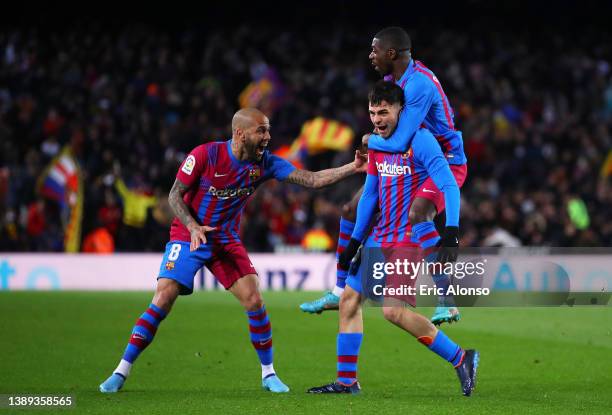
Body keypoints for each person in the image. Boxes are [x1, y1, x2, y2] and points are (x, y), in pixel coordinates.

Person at [99, 108, 367, 394]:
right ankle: (120, 371)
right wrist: (192, 226)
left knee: (254, 300)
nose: (267, 136)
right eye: (261, 131)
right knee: (163, 297)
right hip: (190, 235)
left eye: (268, 129)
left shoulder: (265, 164)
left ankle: (268, 374)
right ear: (240, 133)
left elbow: (311, 180)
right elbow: (174, 194)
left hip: (225, 239)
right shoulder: (205, 155)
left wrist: (353, 167)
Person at [307, 81, 478, 396]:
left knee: (393, 311)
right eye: (372, 112)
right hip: (378, 235)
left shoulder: (422, 140)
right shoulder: (377, 144)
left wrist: (451, 232)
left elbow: (449, 185)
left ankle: (461, 357)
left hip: (406, 240)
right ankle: (347, 382)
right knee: (348, 300)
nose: (377, 119)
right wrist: (355, 242)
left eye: (383, 111)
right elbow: (370, 194)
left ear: (402, 110)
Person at [300, 27, 467, 326]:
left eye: (374, 50)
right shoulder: (394, 83)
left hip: (444, 160)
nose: (370, 56)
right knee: (351, 208)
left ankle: (447, 300)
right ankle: (339, 289)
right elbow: (395, 139)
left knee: (418, 214)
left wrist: (367, 139)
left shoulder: (419, 84)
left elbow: (399, 140)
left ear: (392, 53)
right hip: (409, 157)